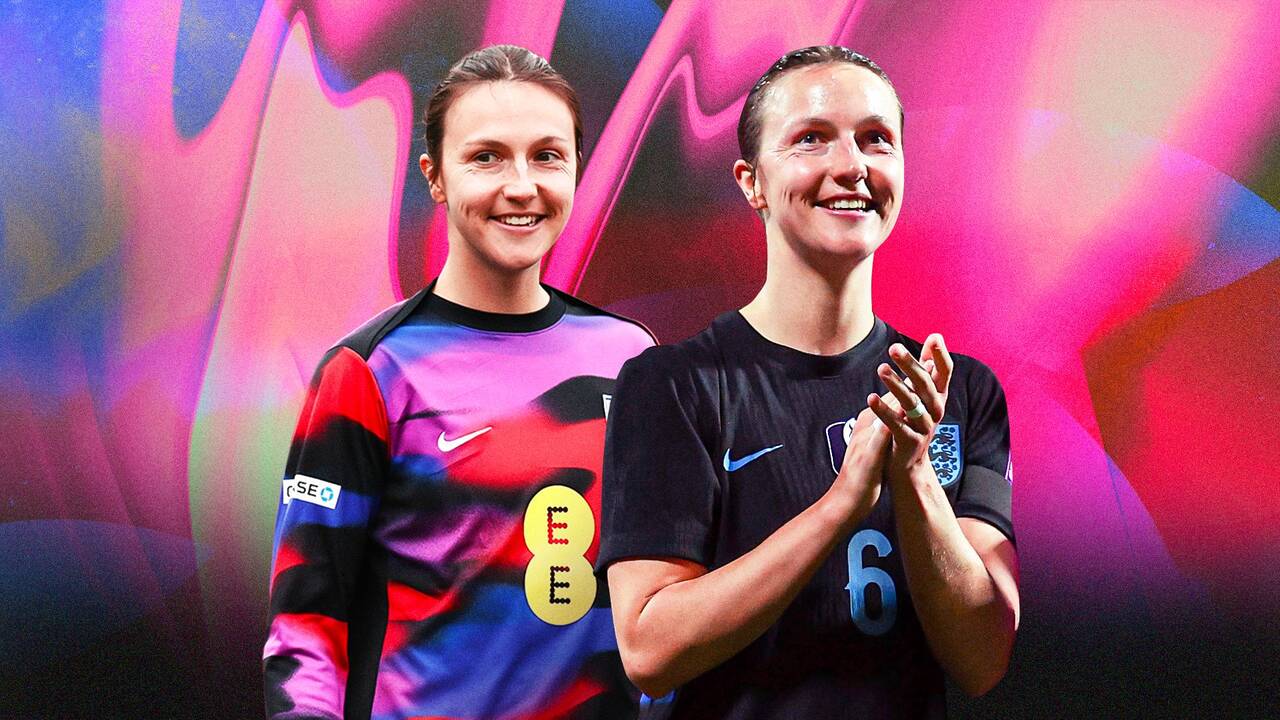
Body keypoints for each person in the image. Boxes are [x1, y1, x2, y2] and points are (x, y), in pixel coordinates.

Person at [599, 46, 1019, 719]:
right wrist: (839, 506)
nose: (852, 166)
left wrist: (913, 472)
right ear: (752, 182)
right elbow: (650, 649)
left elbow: (982, 659)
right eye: (811, 139)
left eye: (876, 139)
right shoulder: (672, 386)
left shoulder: (958, 392)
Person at [264, 45, 655, 720]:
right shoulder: (371, 370)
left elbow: (667, 597)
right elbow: (305, 628)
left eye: (547, 156)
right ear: (436, 177)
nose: (521, 185)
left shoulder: (633, 359)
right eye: (487, 157)